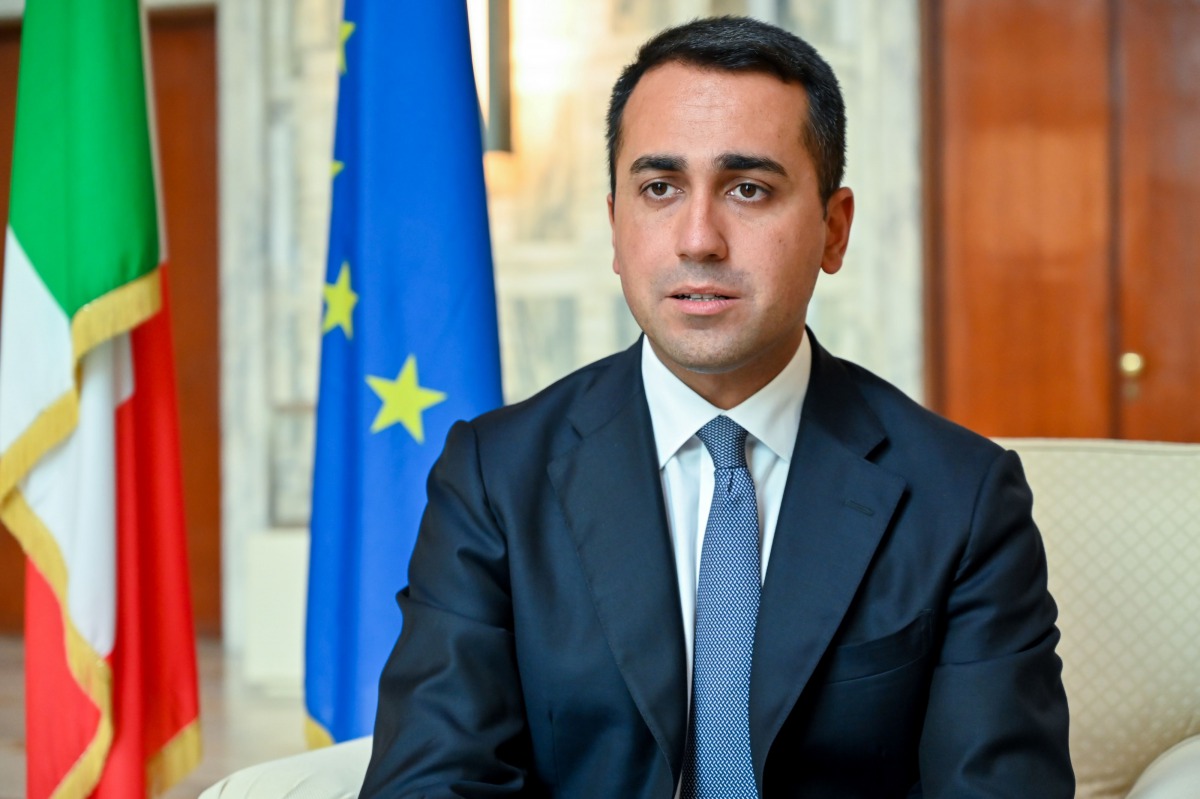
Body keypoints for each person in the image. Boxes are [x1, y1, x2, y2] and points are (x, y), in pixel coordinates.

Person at [361, 15, 1073, 798]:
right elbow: (431, 780)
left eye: (749, 189)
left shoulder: (964, 497)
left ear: (833, 231)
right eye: (659, 188)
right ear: (615, 226)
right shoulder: (493, 478)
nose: (698, 238)